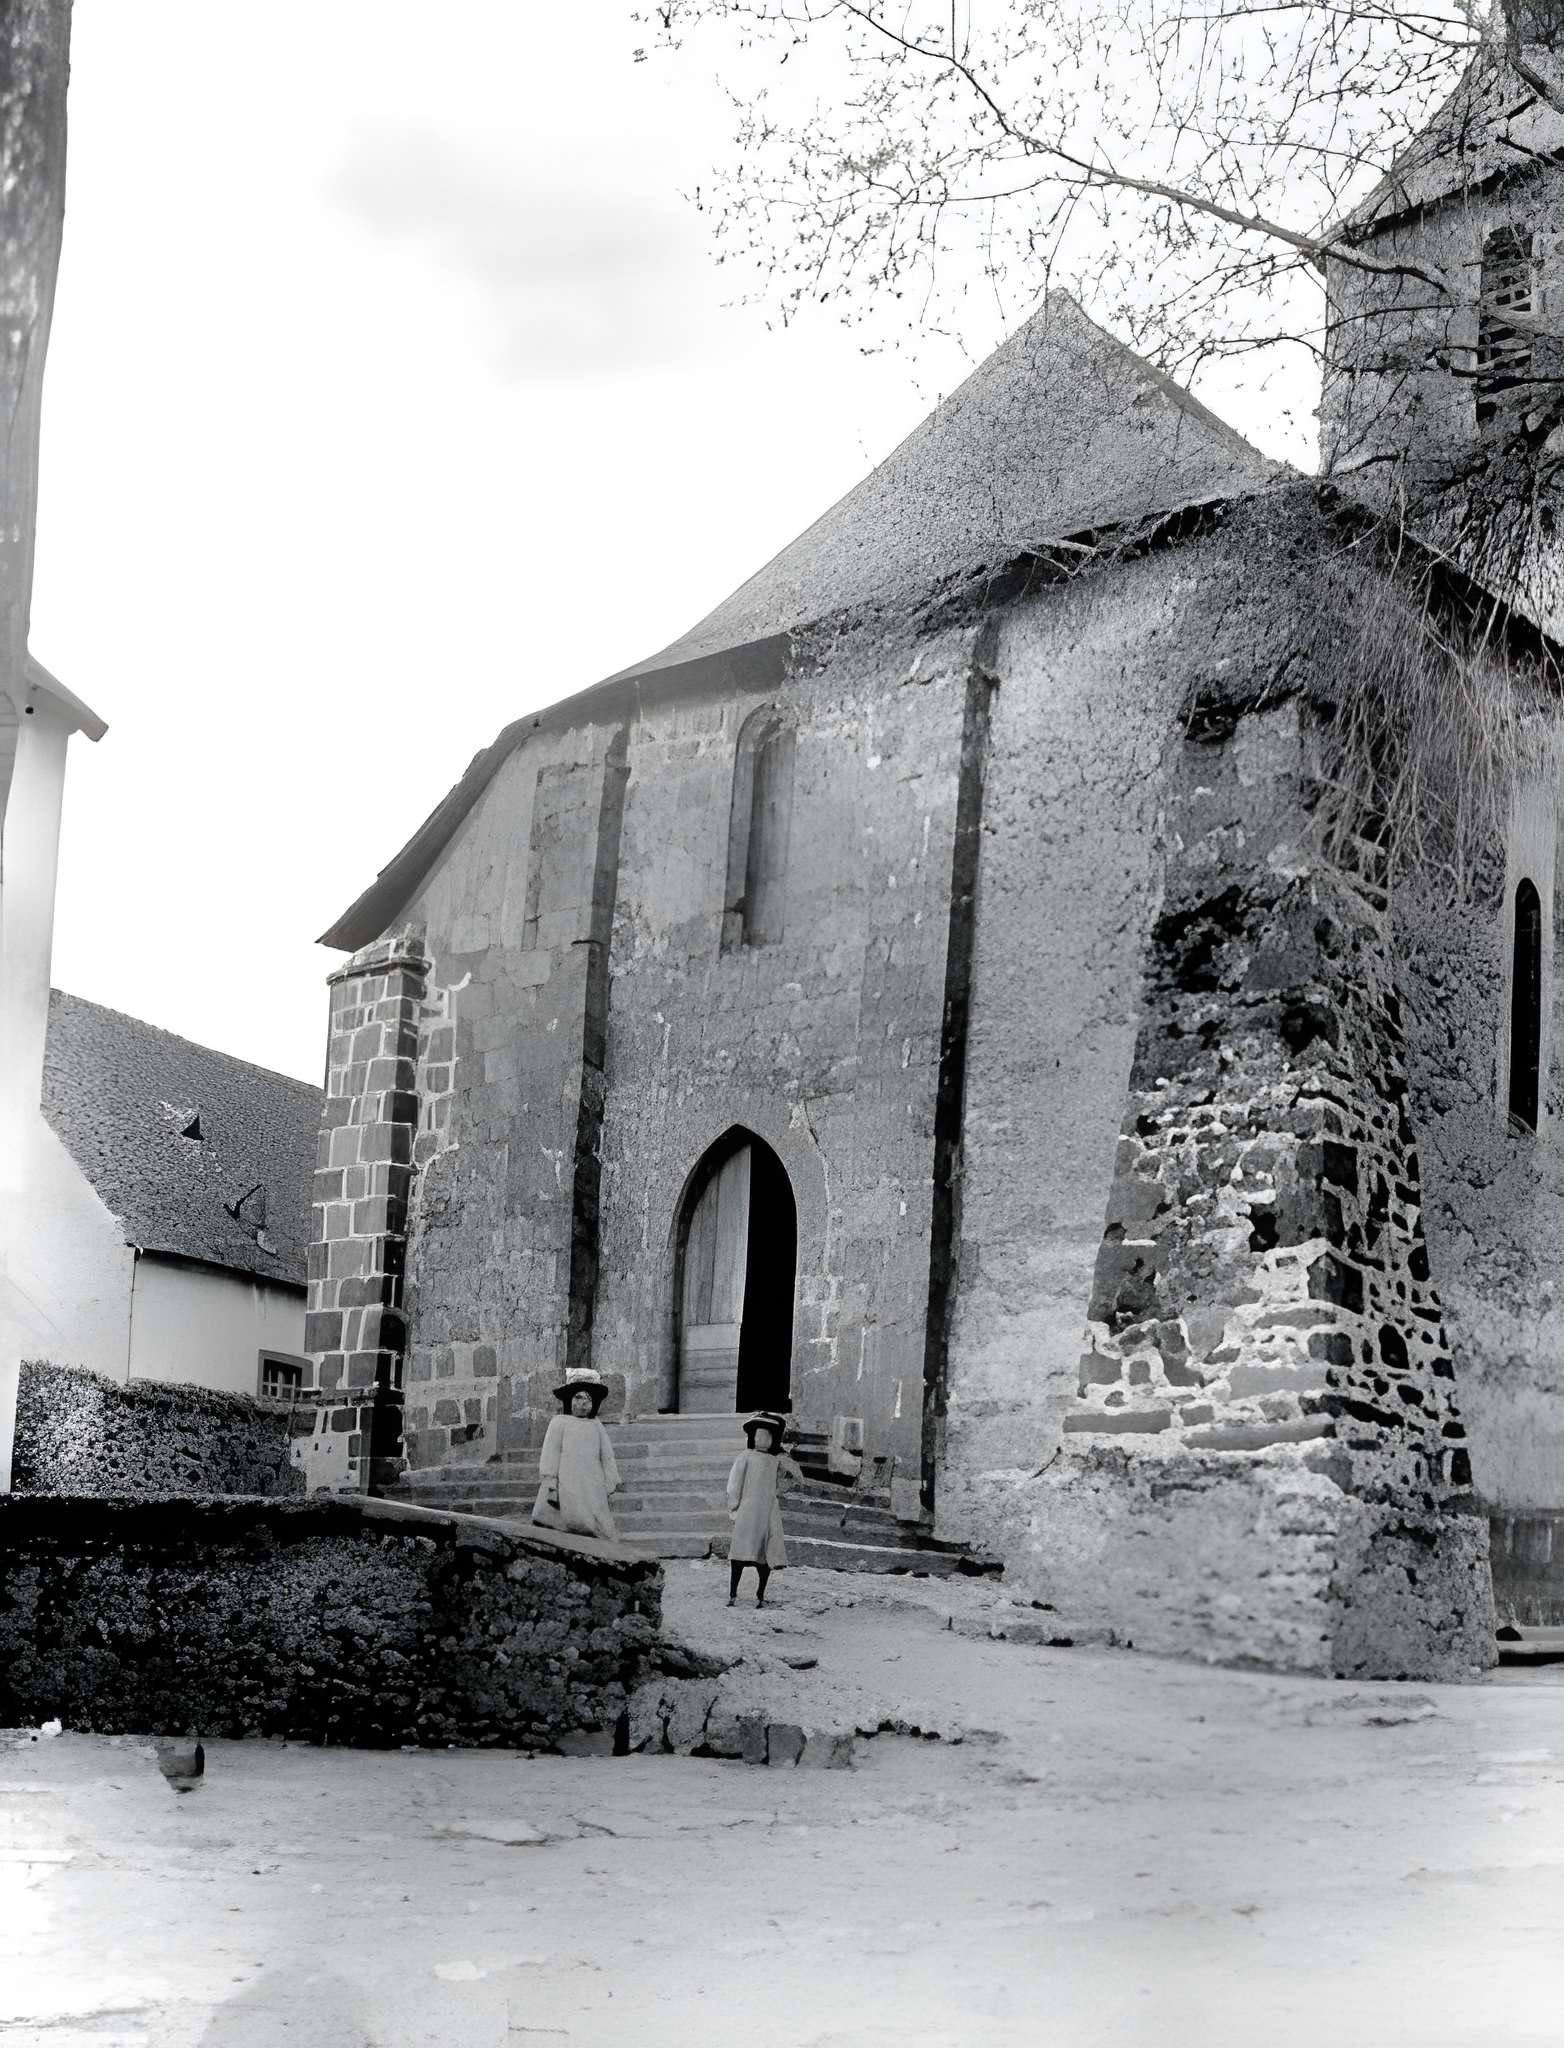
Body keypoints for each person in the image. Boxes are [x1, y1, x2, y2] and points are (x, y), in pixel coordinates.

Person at [531, 1368, 621, 1540]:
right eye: (578, 1398)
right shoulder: (559, 1423)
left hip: (591, 1480)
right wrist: (550, 1482)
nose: (583, 1403)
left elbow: (606, 1454)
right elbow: (551, 1452)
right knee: (570, 1515)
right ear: (569, 1400)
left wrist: (610, 1478)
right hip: (567, 1478)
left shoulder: (596, 1425)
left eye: (588, 1399)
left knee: (596, 1518)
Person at [725, 1410, 800, 1606]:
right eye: (759, 1434)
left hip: (767, 1512)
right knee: (739, 1555)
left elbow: (789, 1481)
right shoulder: (745, 1457)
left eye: (767, 1435)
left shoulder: (775, 1461)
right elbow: (734, 1485)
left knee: (763, 1557)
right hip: (747, 1512)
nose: (763, 1438)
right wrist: (734, 1508)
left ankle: (760, 1595)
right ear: (753, 1436)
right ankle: (733, 1594)